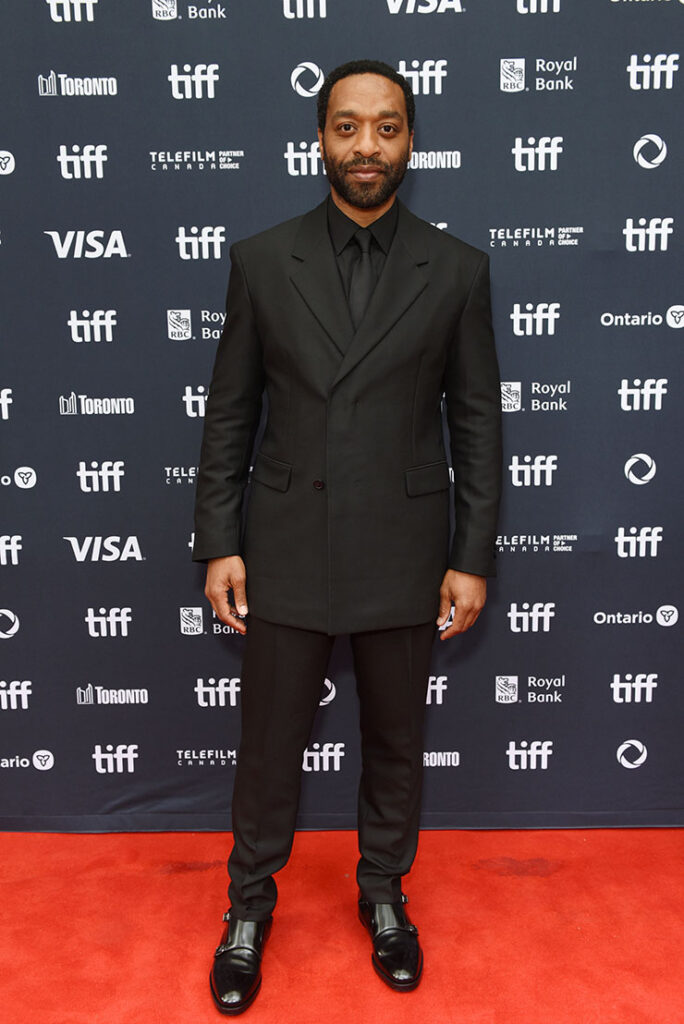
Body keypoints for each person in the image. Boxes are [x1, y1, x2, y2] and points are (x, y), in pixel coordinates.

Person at [193, 59, 502, 1015]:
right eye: (347, 126)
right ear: (320, 138)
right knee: (269, 745)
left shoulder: (457, 269)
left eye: (386, 127)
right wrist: (219, 539)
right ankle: (249, 908)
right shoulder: (260, 259)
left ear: (411, 139)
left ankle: (383, 895)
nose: (366, 145)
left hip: (405, 549)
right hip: (284, 541)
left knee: (396, 742)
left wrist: (470, 554)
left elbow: (478, 423)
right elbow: (230, 413)